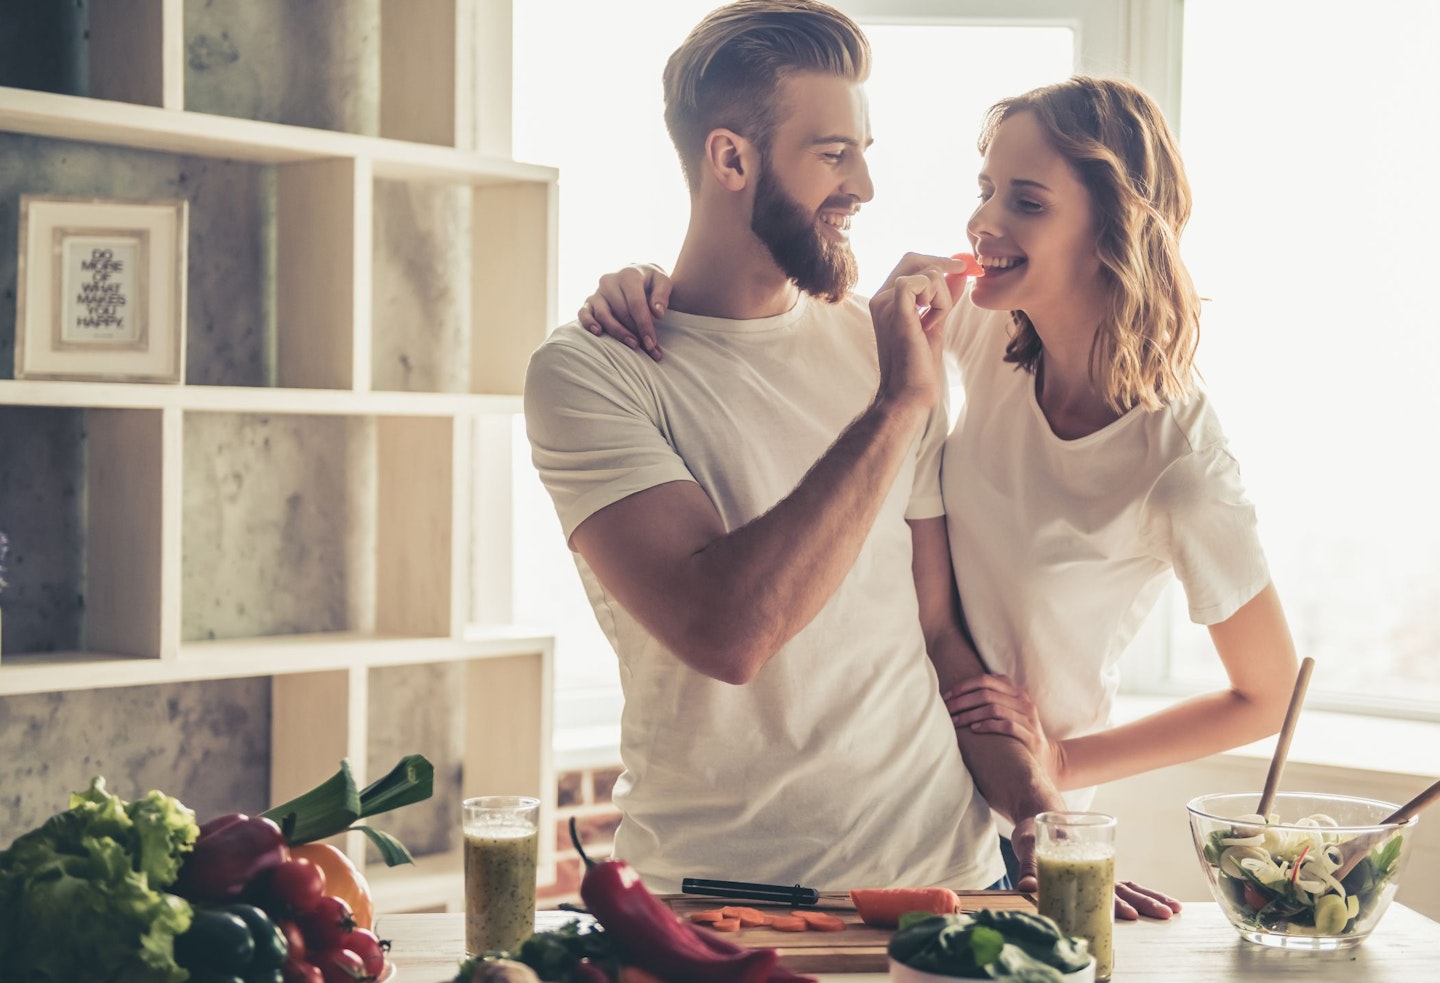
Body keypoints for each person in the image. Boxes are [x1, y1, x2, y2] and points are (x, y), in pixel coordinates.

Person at [579, 75, 1299, 913]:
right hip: (920, 784)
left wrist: (1064, 768)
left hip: (1015, 805)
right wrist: (643, 283)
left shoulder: (1180, 461)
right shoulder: (983, 325)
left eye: (1025, 201)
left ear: (1114, 227)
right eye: (986, 189)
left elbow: (1269, 694)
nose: (983, 223)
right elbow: (782, 325)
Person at [524, 0, 1069, 899]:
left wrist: (1039, 809)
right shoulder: (593, 374)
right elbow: (727, 631)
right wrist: (897, 404)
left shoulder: (886, 343)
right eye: (833, 154)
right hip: (723, 905)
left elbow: (934, 635)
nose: (863, 185)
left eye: (863, 150)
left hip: (950, 882)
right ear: (731, 158)